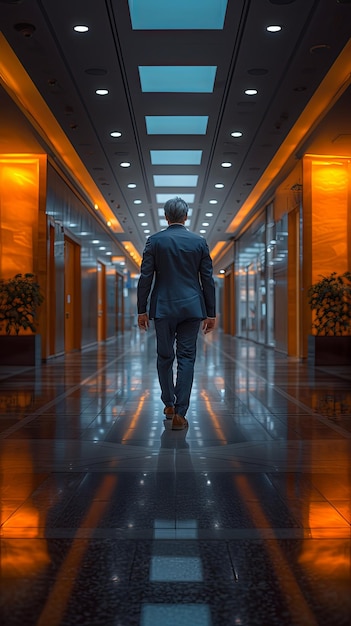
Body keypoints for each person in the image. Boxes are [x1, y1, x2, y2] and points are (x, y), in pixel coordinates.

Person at [137, 196, 216, 431]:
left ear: (166, 216)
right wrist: (211, 312)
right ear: (186, 216)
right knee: (187, 358)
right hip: (192, 308)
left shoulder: (155, 241)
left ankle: (169, 404)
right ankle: (181, 413)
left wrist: (141, 309)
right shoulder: (199, 242)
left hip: (163, 308)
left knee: (164, 356)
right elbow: (207, 280)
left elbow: (146, 278)